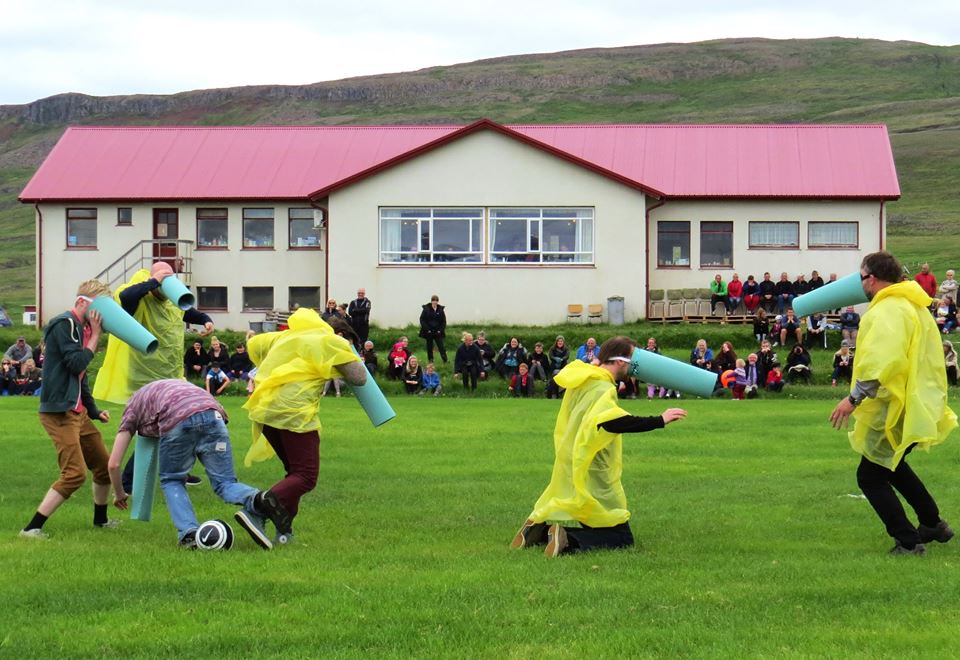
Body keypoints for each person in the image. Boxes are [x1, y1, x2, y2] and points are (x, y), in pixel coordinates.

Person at [829, 251, 958, 555]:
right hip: (916, 400)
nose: (860, 284)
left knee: (870, 476)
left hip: (895, 405)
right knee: (893, 465)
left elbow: (882, 361)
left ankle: (909, 541)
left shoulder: (886, 309)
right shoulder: (912, 304)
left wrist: (853, 398)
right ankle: (932, 524)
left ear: (871, 278)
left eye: (861, 277)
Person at [510, 336, 687, 557]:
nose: (634, 367)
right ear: (621, 361)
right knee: (622, 537)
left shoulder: (586, 377)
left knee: (594, 519)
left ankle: (539, 530)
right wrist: (659, 420)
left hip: (577, 455)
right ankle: (565, 538)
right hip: (595, 465)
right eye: (634, 360)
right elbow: (611, 421)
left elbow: (553, 390)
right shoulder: (602, 387)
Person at [106, 380, 289, 549]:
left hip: (177, 420)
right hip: (213, 416)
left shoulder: (132, 407)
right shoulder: (170, 386)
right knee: (225, 482)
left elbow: (113, 464)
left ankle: (189, 533)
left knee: (172, 480)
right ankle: (257, 498)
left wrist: (120, 493)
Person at [243, 309, 368, 543]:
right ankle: (257, 506)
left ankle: (284, 531)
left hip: (265, 408)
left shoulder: (287, 337)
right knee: (306, 477)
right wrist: (347, 354)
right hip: (293, 412)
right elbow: (360, 377)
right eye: (349, 344)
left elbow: (254, 344)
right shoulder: (330, 340)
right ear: (340, 333)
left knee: (294, 473)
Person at [20, 280, 118, 539]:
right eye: (100, 307)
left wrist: (94, 411)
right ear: (82, 303)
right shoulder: (65, 325)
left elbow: (81, 378)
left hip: (78, 412)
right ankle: (31, 528)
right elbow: (76, 364)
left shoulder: (82, 328)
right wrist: (96, 335)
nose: (102, 316)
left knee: (103, 465)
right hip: (59, 412)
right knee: (74, 474)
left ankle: (101, 521)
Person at [418, 295, 448, 364]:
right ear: (431, 301)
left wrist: (440, 330)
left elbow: (443, 321)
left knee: (441, 347)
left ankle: (445, 360)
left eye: (436, 301)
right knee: (429, 347)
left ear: (437, 302)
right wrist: (427, 329)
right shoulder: (426, 309)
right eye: (433, 301)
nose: (435, 303)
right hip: (429, 332)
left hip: (438, 332)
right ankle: (430, 361)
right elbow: (422, 319)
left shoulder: (440, 310)